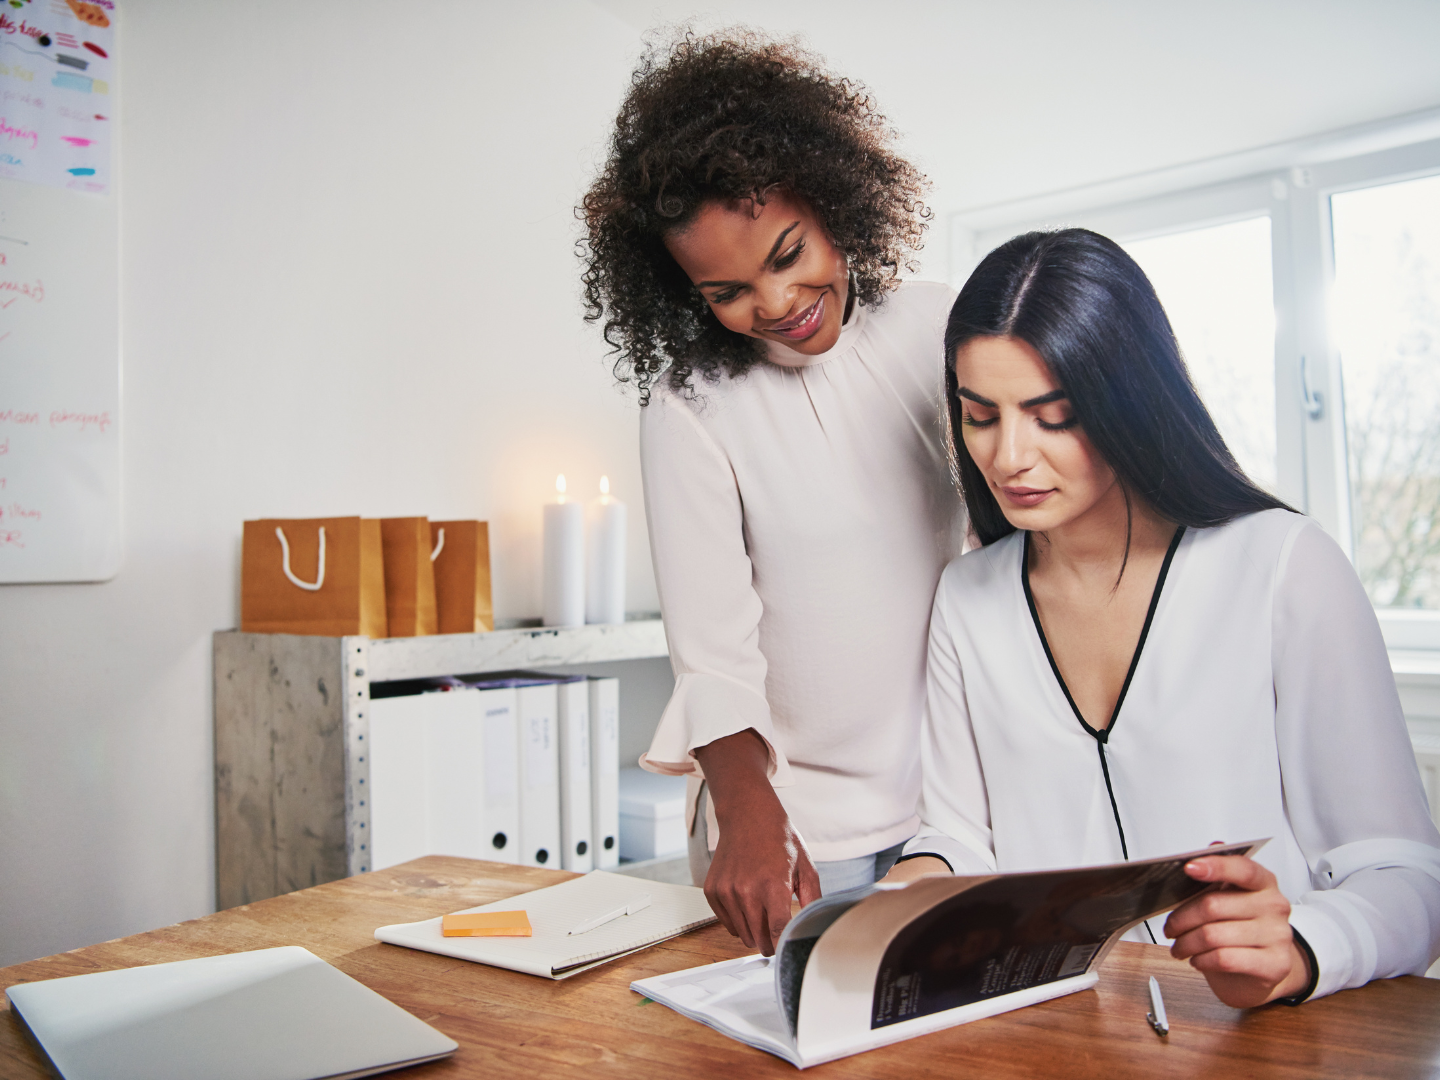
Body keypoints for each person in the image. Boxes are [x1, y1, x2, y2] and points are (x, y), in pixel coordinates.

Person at [885, 228, 1440, 1007]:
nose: (1008, 456)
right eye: (981, 415)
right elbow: (958, 835)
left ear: (1131, 404)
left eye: (1055, 415)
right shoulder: (968, 598)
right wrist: (912, 884)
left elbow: (1408, 877)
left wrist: (1305, 950)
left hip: (1263, 1044)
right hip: (1050, 1042)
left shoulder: (1283, 565)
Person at [579, 31, 965, 955]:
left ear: (835, 199)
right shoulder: (693, 407)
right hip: (796, 836)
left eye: (790, 252)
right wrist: (748, 816)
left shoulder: (936, 330)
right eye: (727, 291)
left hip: (955, 811)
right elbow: (714, 653)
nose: (779, 301)